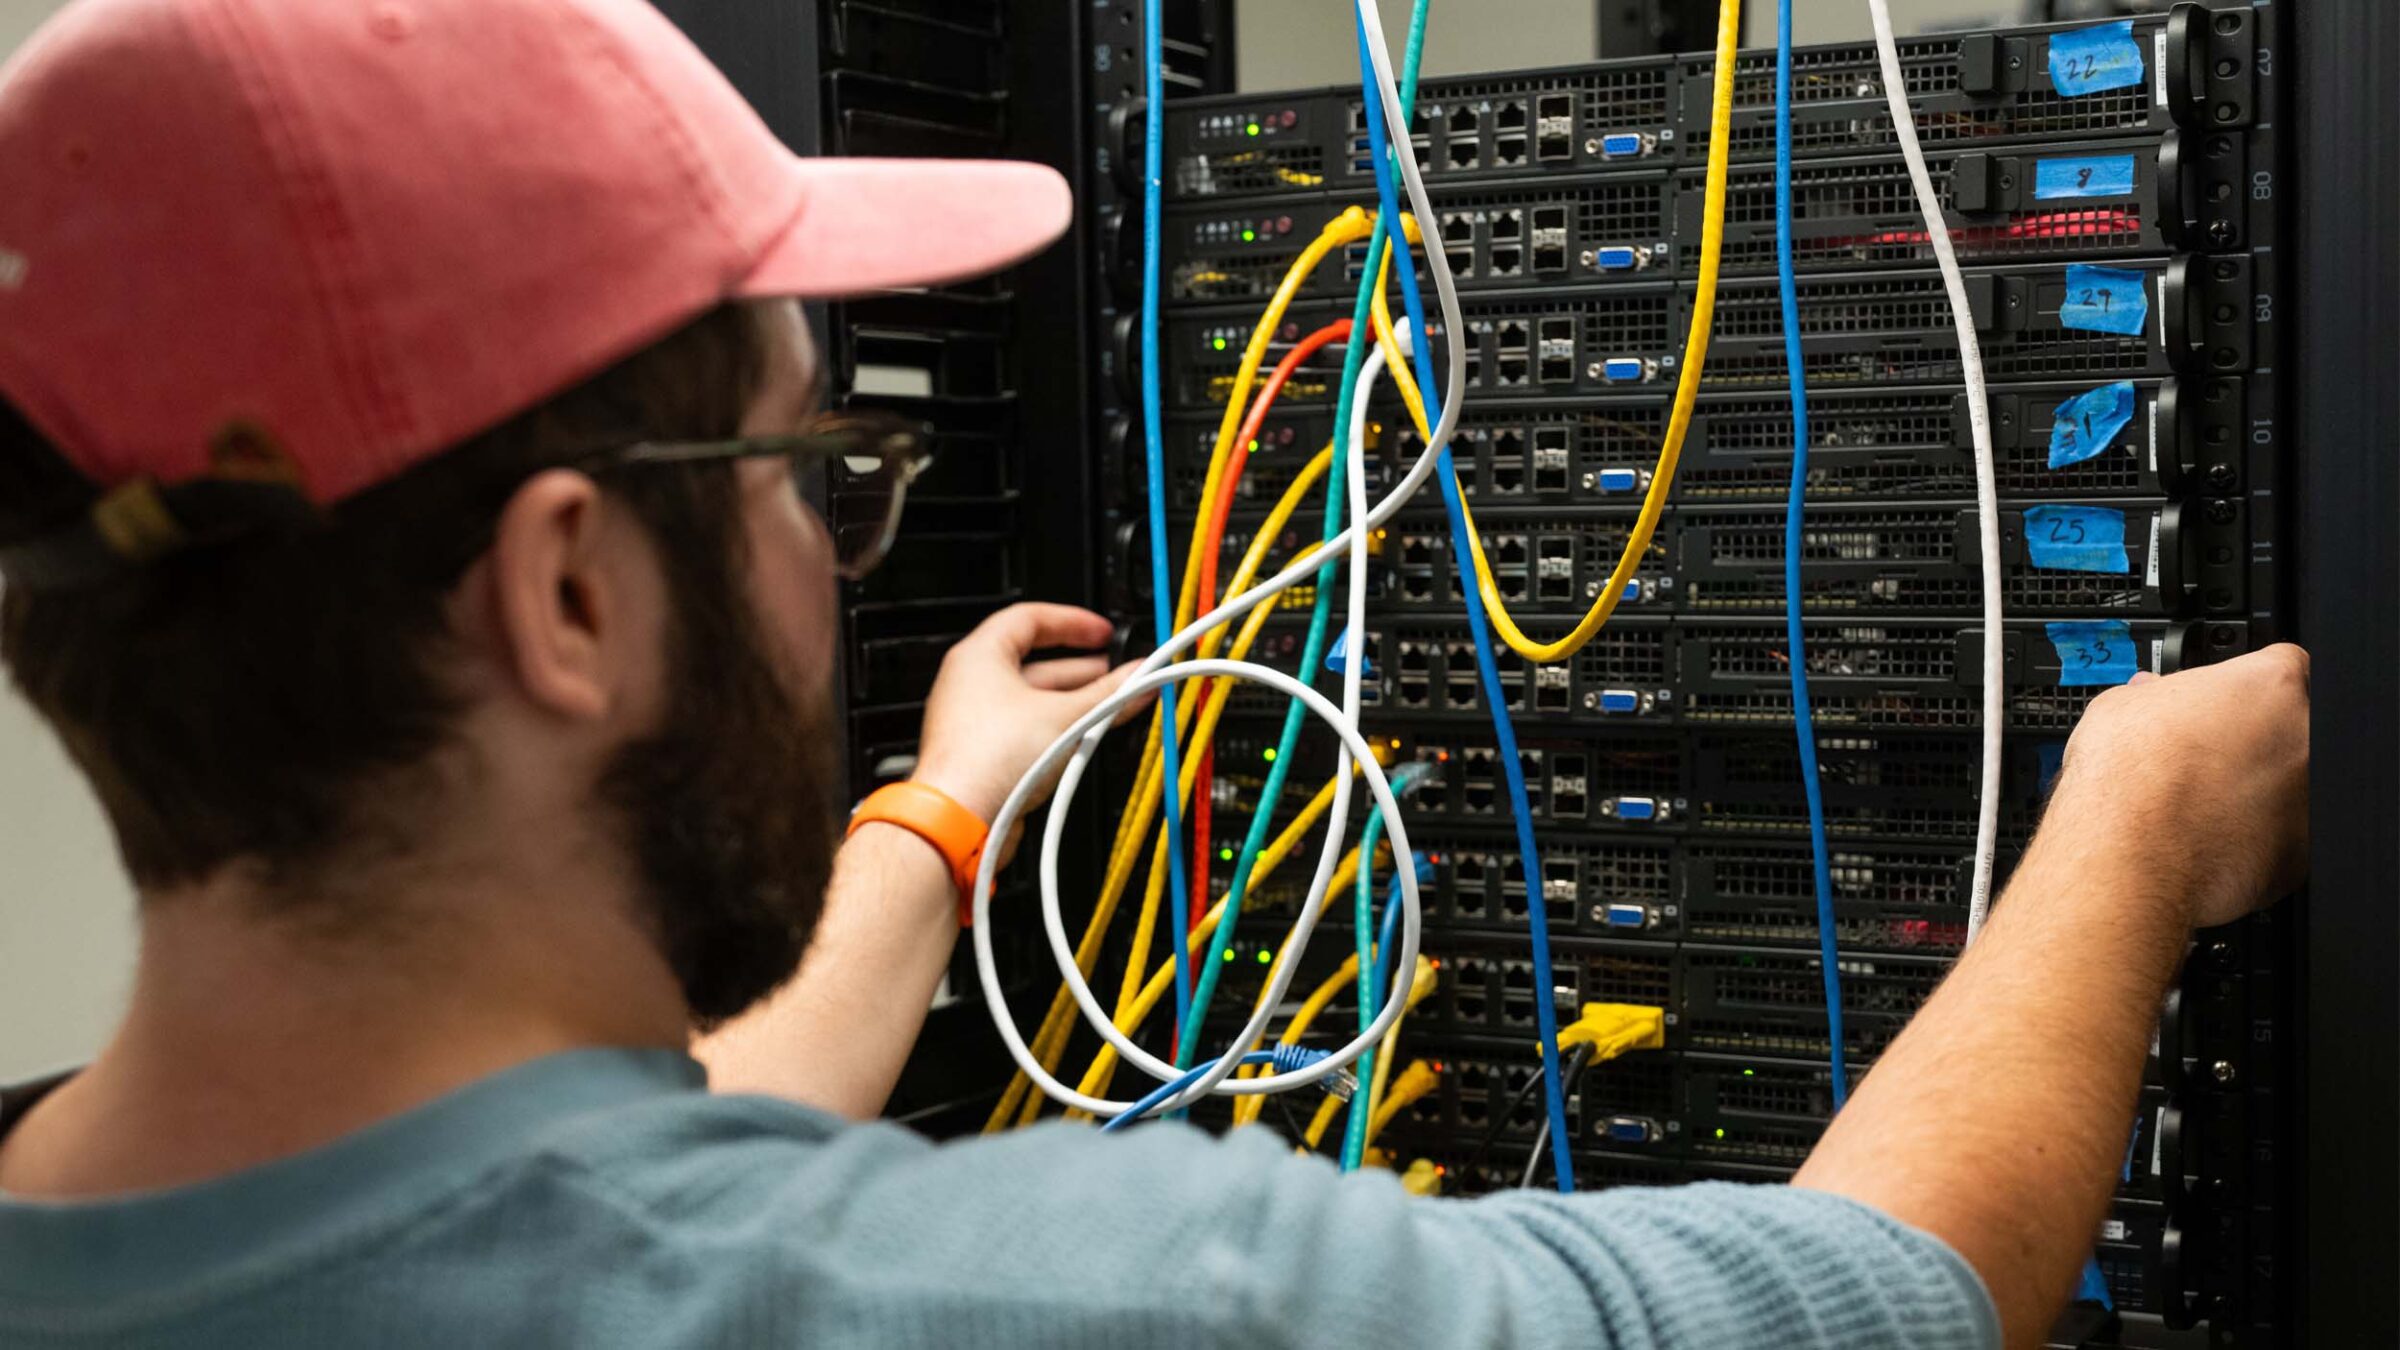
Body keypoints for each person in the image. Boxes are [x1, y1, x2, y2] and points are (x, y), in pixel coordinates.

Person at [0, 1, 2309, 1347]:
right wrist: (2131, 827)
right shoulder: (1126, 1296)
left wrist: (938, 813)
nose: (831, 549)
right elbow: (1880, 1293)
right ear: (571, 597)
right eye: (813, 473)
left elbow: (613, 1192)